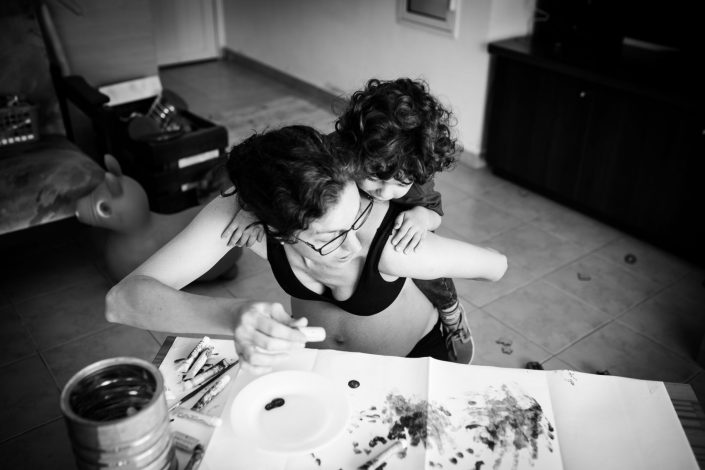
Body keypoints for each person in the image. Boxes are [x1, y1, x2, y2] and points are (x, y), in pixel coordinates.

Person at [105, 125, 507, 373]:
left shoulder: (393, 243)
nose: (354, 244)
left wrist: (427, 225)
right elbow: (122, 301)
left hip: (418, 362)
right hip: (326, 370)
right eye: (329, 236)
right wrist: (232, 314)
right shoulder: (245, 212)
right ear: (272, 228)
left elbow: (496, 265)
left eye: (356, 216)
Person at [222, 78, 473, 363]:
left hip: (409, 226)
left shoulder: (416, 178)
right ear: (354, 149)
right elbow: (283, 178)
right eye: (375, 177)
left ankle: (452, 312)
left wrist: (422, 217)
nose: (384, 193)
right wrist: (249, 208)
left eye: (399, 184)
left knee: (427, 264)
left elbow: (435, 213)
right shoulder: (332, 152)